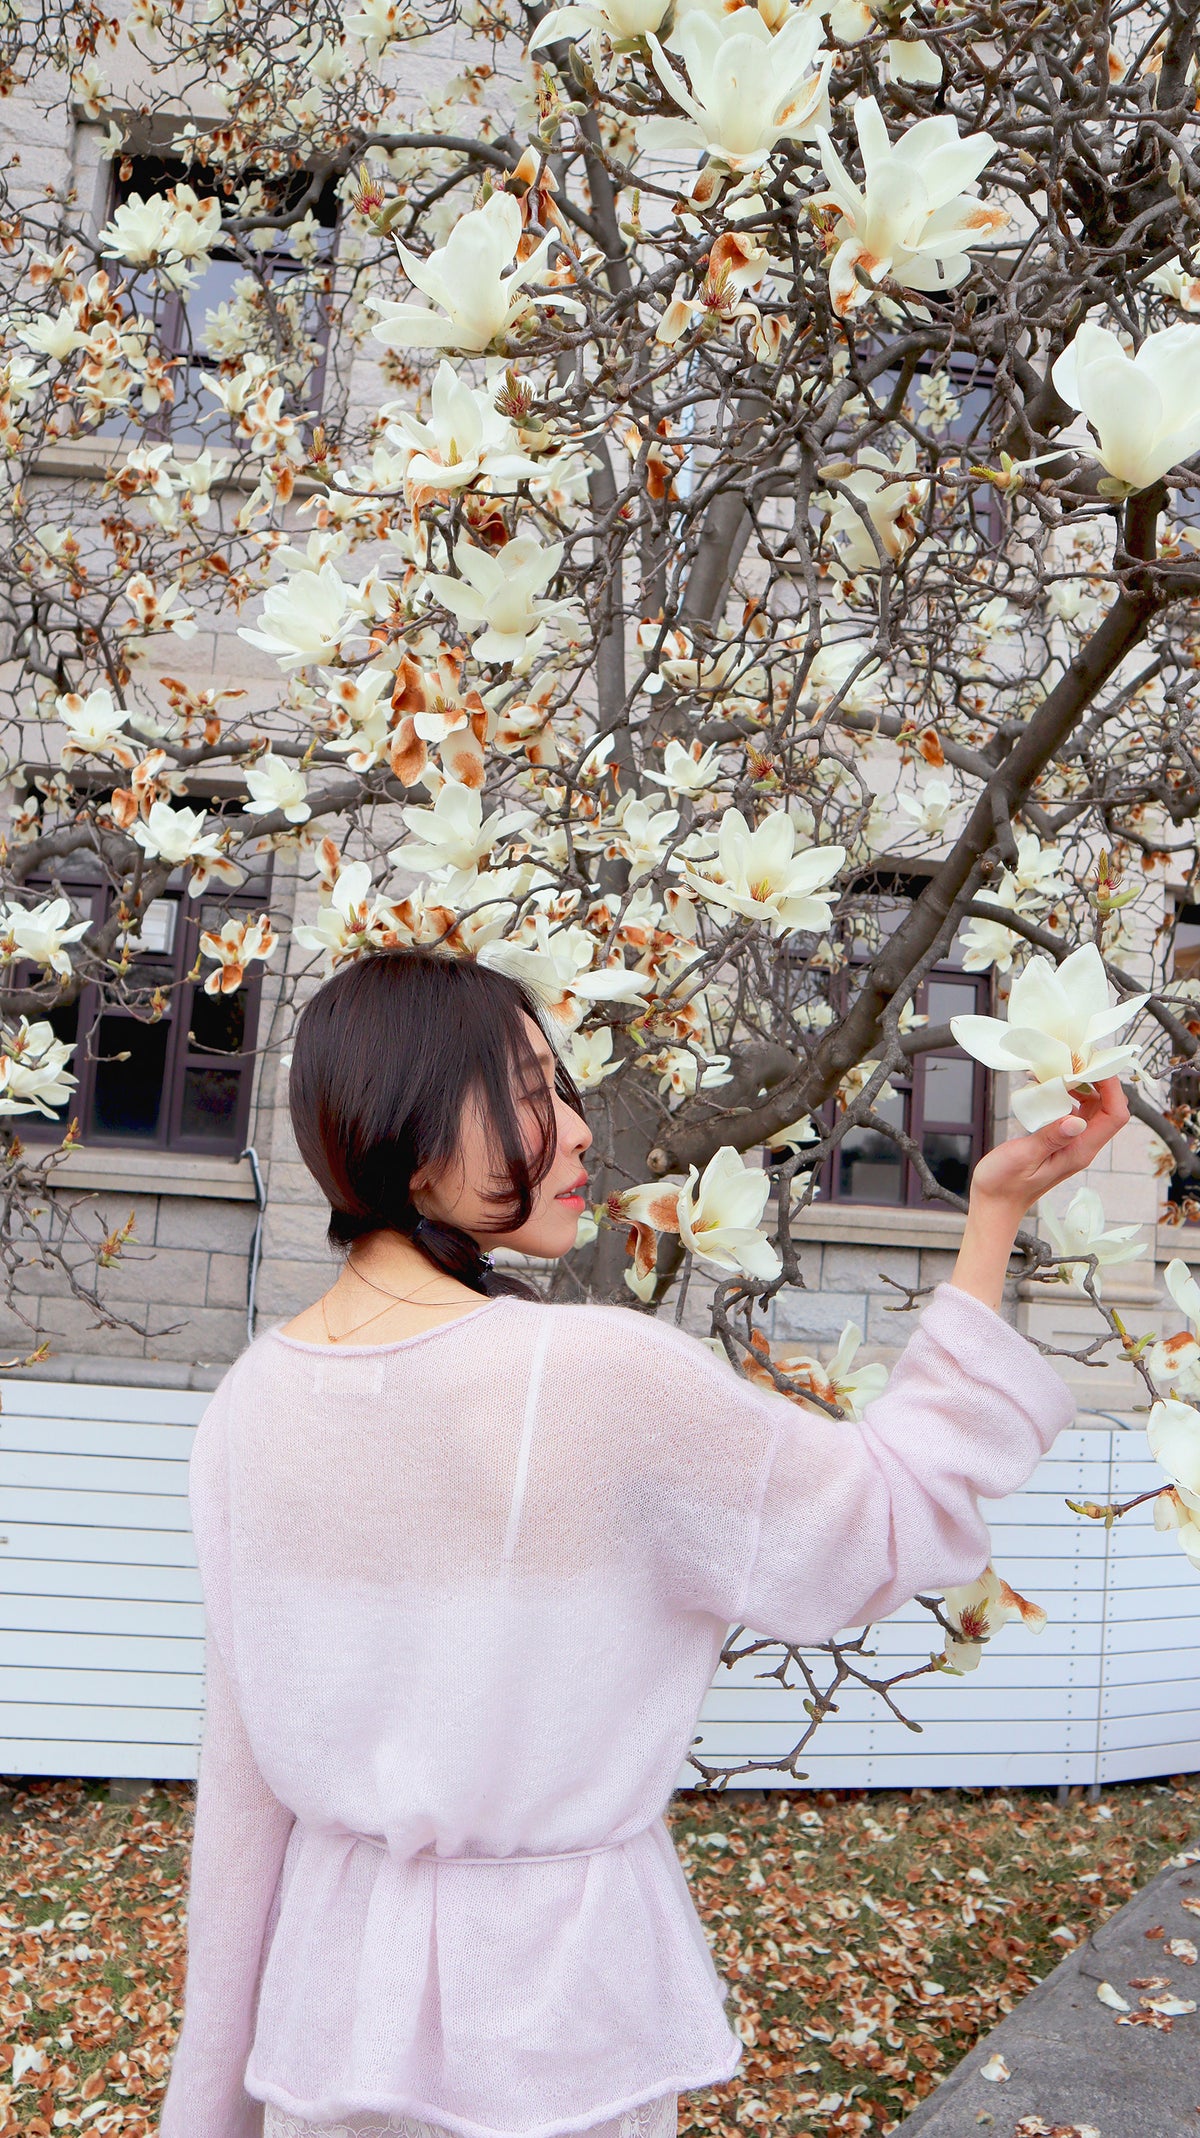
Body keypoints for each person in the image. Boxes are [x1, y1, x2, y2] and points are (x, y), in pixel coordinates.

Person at [159, 945, 1129, 2138]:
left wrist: (209, 2104)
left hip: (327, 2018)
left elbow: (245, 1805)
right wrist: (991, 1219)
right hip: (552, 2019)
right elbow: (882, 1519)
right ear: (412, 1122)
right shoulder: (593, 1375)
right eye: (528, 1092)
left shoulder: (250, 1405)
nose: (574, 1131)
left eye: (564, 1088)